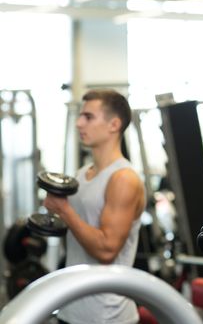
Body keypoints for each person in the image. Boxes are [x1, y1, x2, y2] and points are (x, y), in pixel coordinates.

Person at [43, 89, 146, 324]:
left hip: (106, 316)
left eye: (88, 117)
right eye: (80, 116)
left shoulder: (123, 179)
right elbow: (77, 232)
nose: (79, 123)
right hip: (71, 307)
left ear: (114, 124)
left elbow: (107, 250)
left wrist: (65, 210)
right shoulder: (82, 174)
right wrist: (55, 215)